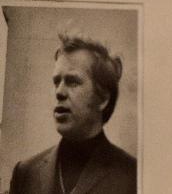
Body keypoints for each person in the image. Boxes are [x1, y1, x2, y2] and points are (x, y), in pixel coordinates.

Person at [9, 30, 137, 194]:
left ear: (103, 98)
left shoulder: (131, 175)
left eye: (72, 82)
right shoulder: (26, 172)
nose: (59, 92)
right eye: (56, 82)